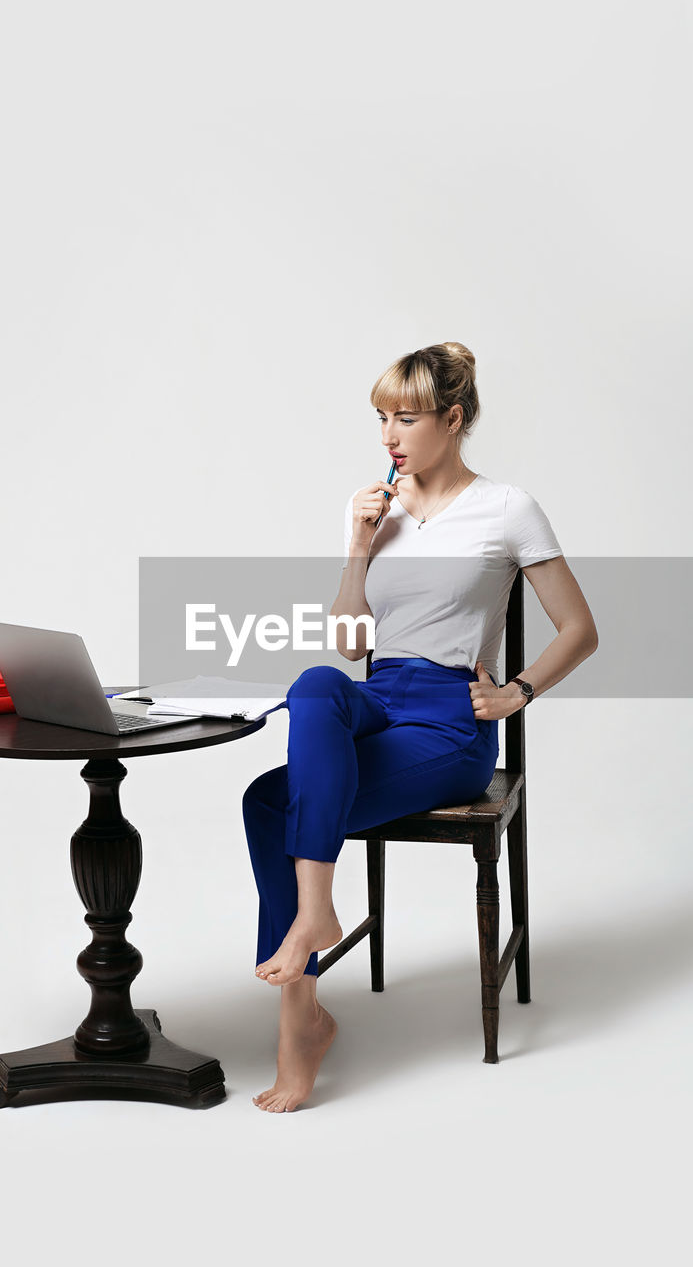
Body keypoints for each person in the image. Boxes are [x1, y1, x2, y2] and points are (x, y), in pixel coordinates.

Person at [242, 341, 599, 1112]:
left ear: (453, 419)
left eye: (404, 417)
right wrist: (357, 548)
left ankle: (297, 1018)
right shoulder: (374, 506)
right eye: (379, 417)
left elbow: (577, 627)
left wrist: (518, 691)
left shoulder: (507, 508)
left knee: (268, 803)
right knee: (313, 683)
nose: (388, 435)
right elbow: (350, 644)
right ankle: (313, 937)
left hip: (447, 722)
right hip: (381, 694)